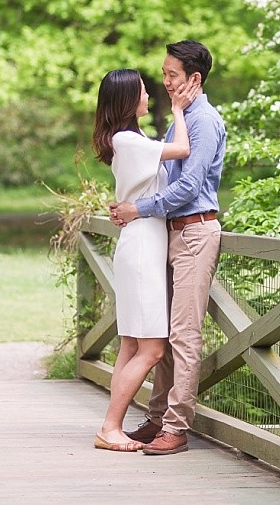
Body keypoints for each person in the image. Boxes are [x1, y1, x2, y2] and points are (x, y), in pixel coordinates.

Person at [109, 40, 226, 456]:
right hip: (169, 233)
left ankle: (175, 428)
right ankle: (158, 418)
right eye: (163, 74)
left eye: (172, 75)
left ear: (194, 79)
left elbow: (189, 187)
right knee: (162, 331)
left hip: (194, 233)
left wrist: (136, 209)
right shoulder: (180, 120)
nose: (165, 82)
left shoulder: (204, 122)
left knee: (184, 334)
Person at [89, 68, 200, 451]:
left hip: (140, 245)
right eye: (141, 91)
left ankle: (112, 426)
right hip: (141, 251)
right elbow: (183, 150)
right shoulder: (128, 140)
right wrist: (181, 111)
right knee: (152, 349)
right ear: (126, 100)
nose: (148, 95)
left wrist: (129, 207)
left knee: (131, 347)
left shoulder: (128, 140)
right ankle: (109, 428)